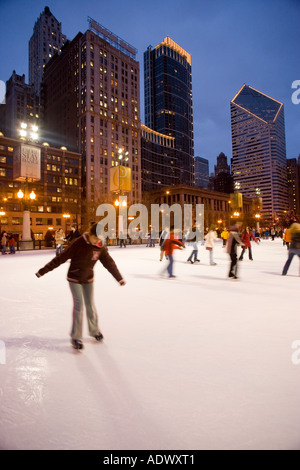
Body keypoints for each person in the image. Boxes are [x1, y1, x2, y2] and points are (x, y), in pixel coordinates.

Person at [35, 223, 126, 350]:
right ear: (90, 235)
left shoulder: (100, 247)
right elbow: (61, 258)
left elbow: (109, 263)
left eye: (100, 239)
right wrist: (42, 271)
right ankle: (76, 337)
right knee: (79, 305)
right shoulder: (79, 243)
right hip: (74, 278)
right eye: (96, 238)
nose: (98, 241)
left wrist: (119, 278)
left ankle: (94, 331)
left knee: (90, 305)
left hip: (88, 278)